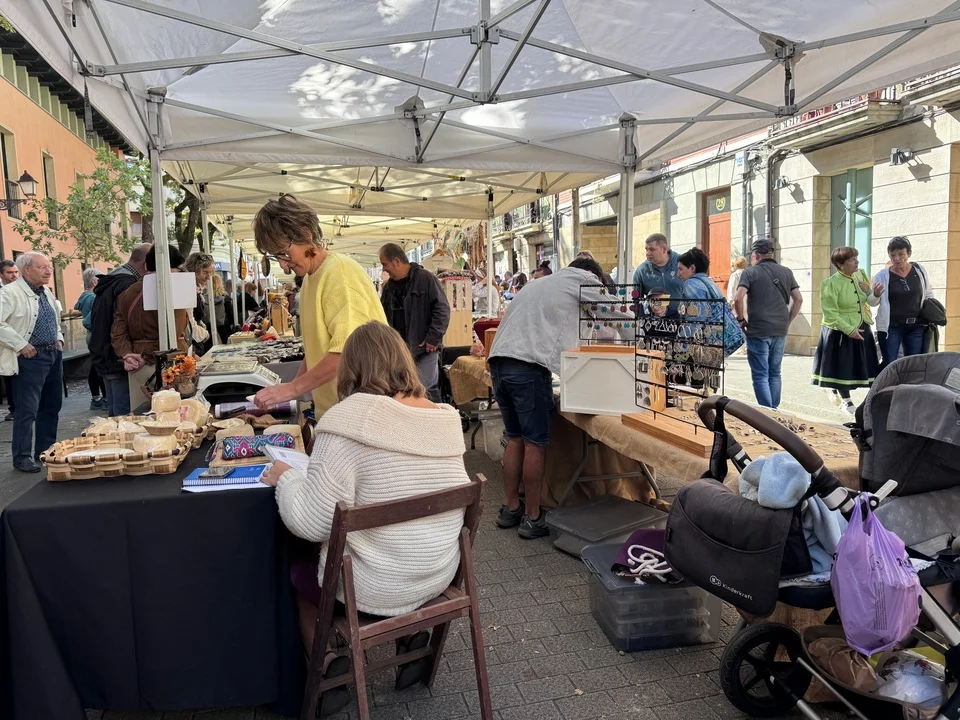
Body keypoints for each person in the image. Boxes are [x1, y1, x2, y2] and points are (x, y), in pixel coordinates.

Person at [260, 322, 469, 707]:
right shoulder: (446, 418)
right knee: (391, 535)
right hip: (436, 573)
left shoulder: (346, 421)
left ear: (351, 368)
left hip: (372, 587)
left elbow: (310, 523)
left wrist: (286, 478)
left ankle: (326, 664)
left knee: (299, 569)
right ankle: (410, 634)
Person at [488, 256, 618, 539]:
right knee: (534, 443)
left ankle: (510, 507)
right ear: (592, 275)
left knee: (515, 438)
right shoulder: (583, 279)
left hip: (499, 362)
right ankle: (533, 516)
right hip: (527, 367)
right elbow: (618, 313)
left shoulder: (542, 283)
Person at [250, 195, 387, 417]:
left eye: (285, 253)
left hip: (363, 414)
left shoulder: (339, 273)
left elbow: (346, 352)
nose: (284, 265)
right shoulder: (310, 280)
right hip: (339, 411)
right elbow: (318, 351)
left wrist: (293, 388)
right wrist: (292, 388)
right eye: (277, 257)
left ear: (306, 235)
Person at [0, 253, 64, 473]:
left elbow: (55, 320)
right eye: (42, 267)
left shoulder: (46, 291)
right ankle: (22, 456)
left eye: (49, 267)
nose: (48, 271)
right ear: (26, 270)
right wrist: (21, 345)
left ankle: (46, 449)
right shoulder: (9, 293)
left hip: (52, 353)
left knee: (51, 405)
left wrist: (59, 339)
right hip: (30, 357)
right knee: (27, 409)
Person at [111, 246, 190, 409]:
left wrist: (127, 355)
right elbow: (173, 334)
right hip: (171, 362)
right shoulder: (175, 288)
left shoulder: (128, 293)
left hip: (137, 364)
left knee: (143, 416)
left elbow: (118, 332)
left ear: (147, 266)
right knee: (174, 414)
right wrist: (145, 356)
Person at [811, 247, 882, 414]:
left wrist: (875, 294)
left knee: (866, 366)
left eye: (856, 257)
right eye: (851, 259)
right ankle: (846, 401)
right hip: (841, 330)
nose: (857, 261)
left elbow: (870, 302)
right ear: (840, 264)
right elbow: (830, 313)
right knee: (843, 366)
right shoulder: (830, 284)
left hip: (862, 325)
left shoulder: (860, 275)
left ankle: (871, 403)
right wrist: (849, 330)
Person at [733, 239, 803, 409]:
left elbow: (738, 298)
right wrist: (788, 320)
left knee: (760, 374)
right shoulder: (786, 272)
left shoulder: (750, 273)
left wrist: (741, 319)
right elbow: (799, 299)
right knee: (775, 373)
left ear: (756, 255)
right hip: (780, 328)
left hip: (758, 329)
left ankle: (767, 413)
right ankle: (775, 410)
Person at [379, 243, 451, 402]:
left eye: (385, 264)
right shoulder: (388, 288)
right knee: (403, 391)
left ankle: (438, 417)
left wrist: (433, 337)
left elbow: (442, 309)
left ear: (396, 261)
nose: (384, 269)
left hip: (424, 348)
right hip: (399, 351)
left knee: (427, 389)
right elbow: (383, 316)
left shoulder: (426, 279)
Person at [88, 243, 151, 416]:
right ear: (146, 265)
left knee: (115, 412)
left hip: (105, 352)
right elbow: (123, 325)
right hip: (120, 356)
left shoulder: (113, 279)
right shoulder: (128, 284)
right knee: (123, 416)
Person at [872, 236, 934, 369]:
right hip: (891, 327)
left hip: (916, 326)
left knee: (914, 364)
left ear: (908, 254)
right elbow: (872, 302)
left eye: (901, 254)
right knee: (890, 364)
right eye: (892, 255)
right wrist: (876, 295)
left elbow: (928, 293)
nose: (897, 258)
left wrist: (931, 311)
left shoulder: (919, 270)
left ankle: (909, 384)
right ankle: (887, 383)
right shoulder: (882, 276)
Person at [74, 267, 107, 410]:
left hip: (90, 335)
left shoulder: (84, 297)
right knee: (100, 367)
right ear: (94, 282)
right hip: (96, 334)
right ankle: (103, 398)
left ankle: (96, 397)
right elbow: (91, 319)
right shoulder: (93, 298)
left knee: (95, 366)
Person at [631, 234, 685, 313]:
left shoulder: (682, 263)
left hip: (681, 317)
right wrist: (642, 317)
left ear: (664, 249)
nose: (648, 253)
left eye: (652, 249)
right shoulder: (641, 271)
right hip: (654, 318)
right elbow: (637, 301)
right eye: (646, 249)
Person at [184, 252, 215, 354]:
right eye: (205, 272)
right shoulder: (188, 289)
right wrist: (205, 334)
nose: (208, 277)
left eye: (210, 273)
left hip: (195, 342)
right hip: (191, 345)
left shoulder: (196, 289)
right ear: (194, 270)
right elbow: (188, 324)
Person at [1, 259, 19, 422]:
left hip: (21, 338)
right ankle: (13, 408)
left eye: (15, 272)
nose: (13, 275)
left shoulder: (21, 290)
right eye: (9, 272)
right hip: (5, 340)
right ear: (1, 274)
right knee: (9, 374)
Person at [211, 273, 237, 343]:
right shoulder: (225, 297)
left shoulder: (205, 298)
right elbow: (230, 313)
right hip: (224, 326)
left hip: (210, 327)